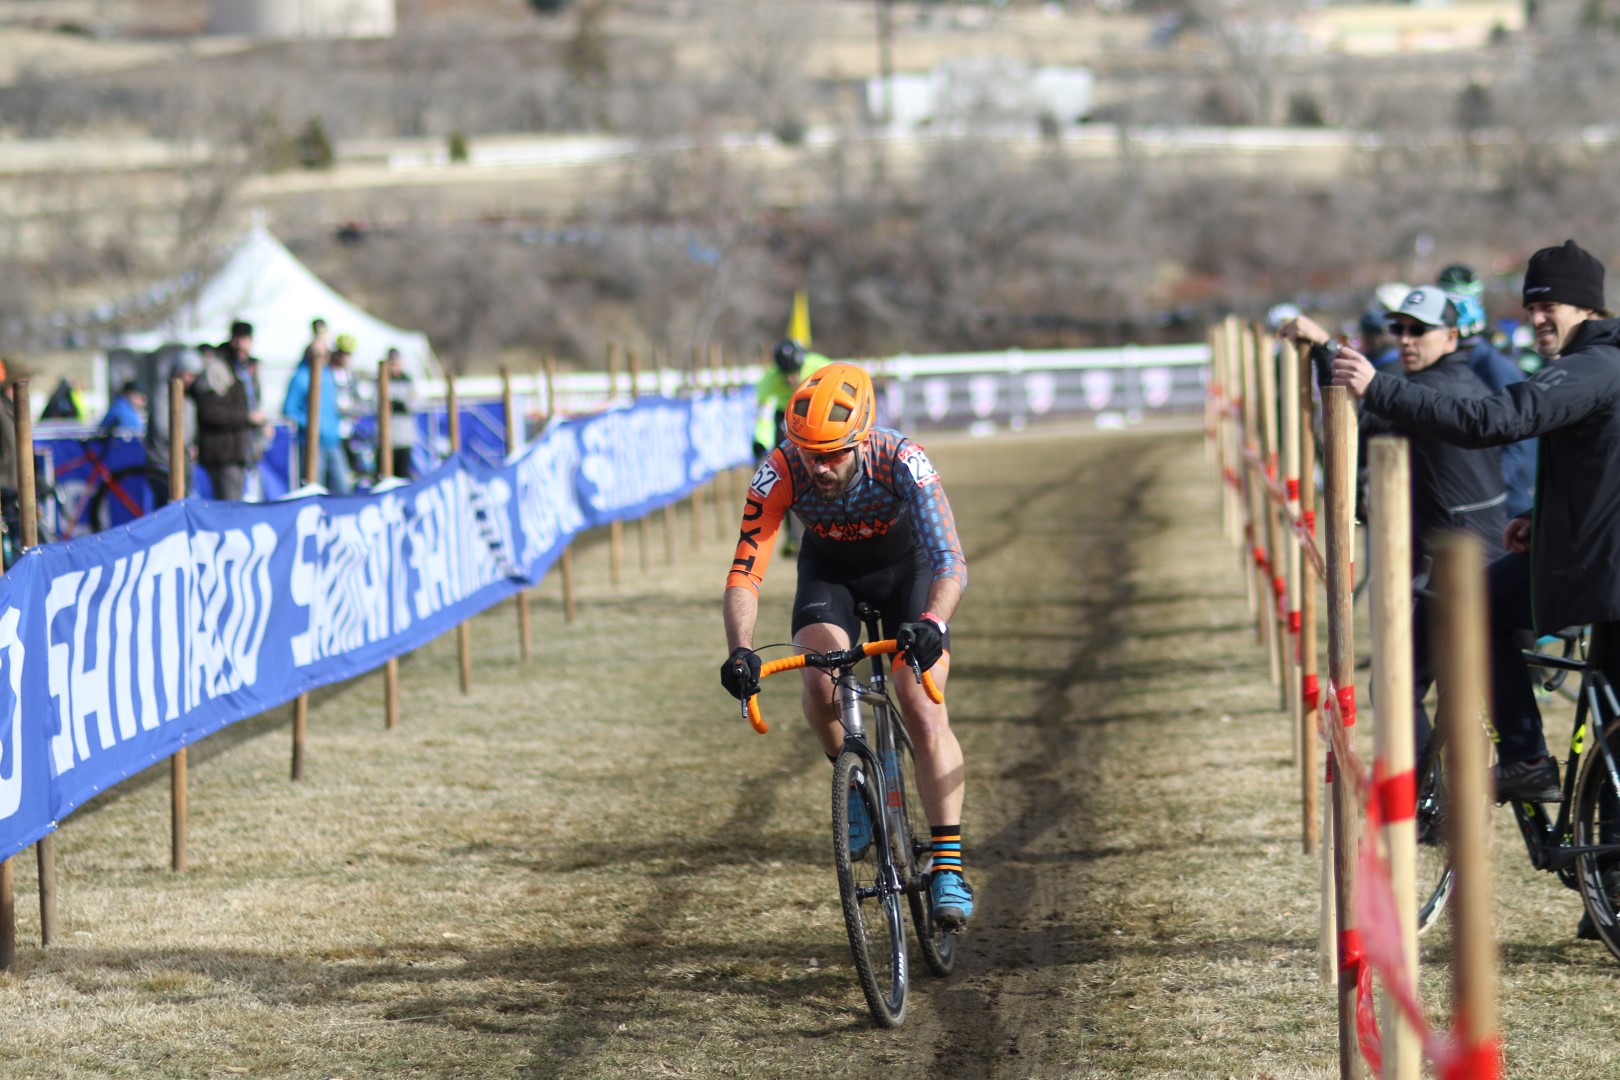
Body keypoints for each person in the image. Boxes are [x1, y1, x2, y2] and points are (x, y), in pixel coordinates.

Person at [1331, 240, 1620, 824]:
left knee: (1475, 600)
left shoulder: (1592, 367)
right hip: (1595, 561)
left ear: (1589, 308)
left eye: (1552, 305)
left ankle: (1524, 756)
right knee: (1609, 734)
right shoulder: (1602, 364)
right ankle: (1607, 896)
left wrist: (1376, 385)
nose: (1537, 317)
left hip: (1603, 574)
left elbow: (1494, 420)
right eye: (1531, 305)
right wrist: (1543, 521)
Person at [719, 363, 975, 928]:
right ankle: (856, 785)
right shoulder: (780, 469)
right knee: (820, 682)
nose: (821, 466)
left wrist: (932, 621)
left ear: (861, 437)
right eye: (810, 452)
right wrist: (740, 650)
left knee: (923, 707)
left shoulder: (902, 459)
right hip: (829, 573)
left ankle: (948, 865)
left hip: (906, 574)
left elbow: (950, 561)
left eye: (834, 452)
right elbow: (744, 574)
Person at [1286, 287, 1508, 754]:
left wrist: (1327, 350)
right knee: (1443, 693)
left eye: (1419, 331)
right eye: (1399, 329)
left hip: (1458, 573)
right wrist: (1327, 349)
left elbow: (1365, 416)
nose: (1406, 340)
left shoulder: (1436, 392)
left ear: (1451, 337)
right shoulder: (1445, 385)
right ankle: (1441, 803)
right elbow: (1370, 408)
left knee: (1392, 688)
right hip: (1472, 566)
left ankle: (1424, 814)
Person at [753, 339, 832, 556]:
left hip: (817, 413)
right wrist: (760, 444)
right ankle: (793, 537)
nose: (791, 379)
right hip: (785, 417)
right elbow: (763, 417)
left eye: (796, 372)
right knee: (786, 477)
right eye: (786, 374)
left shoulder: (819, 365)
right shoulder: (768, 381)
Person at [191, 340, 266, 501]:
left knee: (239, 505)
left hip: (243, 451)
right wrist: (247, 417)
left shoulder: (244, 374)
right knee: (229, 507)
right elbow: (211, 412)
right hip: (225, 453)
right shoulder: (218, 370)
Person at [281, 335, 350, 495]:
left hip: (333, 441)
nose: (323, 358)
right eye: (318, 355)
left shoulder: (330, 374)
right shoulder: (300, 377)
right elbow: (289, 409)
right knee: (313, 490)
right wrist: (312, 424)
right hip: (312, 444)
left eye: (325, 355)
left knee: (342, 488)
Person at [143, 348, 203, 509]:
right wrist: (182, 444)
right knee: (166, 508)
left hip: (184, 464)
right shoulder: (163, 393)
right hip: (162, 462)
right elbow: (162, 427)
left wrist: (192, 446)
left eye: (193, 375)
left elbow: (192, 428)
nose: (190, 379)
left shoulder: (189, 399)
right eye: (187, 373)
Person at [218, 321, 268, 497]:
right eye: (238, 339)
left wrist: (263, 423)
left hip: (250, 444)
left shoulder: (252, 367)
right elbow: (213, 410)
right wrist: (247, 417)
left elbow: (256, 400)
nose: (241, 344)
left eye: (245, 339)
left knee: (252, 498)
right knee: (232, 503)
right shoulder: (221, 365)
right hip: (229, 447)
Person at [383, 347, 419, 480]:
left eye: (396, 363)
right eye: (391, 363)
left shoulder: (408, 381)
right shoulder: (381, 381)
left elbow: (414, 403)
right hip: (386, 439)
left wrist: (397, 404)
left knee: (402, 477)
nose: (394, 367)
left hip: (403, 439)